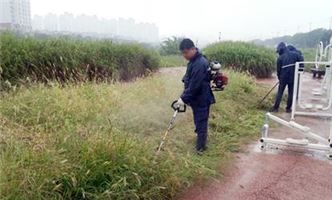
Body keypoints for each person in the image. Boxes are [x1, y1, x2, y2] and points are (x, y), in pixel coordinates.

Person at [174, 38, 215, 155]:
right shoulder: (193, 61)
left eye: (186, 52)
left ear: (193, 49)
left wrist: (183, 98)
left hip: (201, 97)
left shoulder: (200, 63)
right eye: (183, 53)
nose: (184, 55)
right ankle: (200, 142)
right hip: (197, 97)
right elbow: (188, 78)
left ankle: (200, 148)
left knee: (201, 121)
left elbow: (195, 85)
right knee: (198, 120)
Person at [271, 42, 303, 113]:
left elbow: (278, 71)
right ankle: (288, 109)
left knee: (280, 92)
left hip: (283, 78)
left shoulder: (280, 58)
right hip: (293, 77)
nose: (278, 52)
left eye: (278, 51)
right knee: (291, 93)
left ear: (281, 50)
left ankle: (275, 108)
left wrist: (280, 78)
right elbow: (301, 61)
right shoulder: (296, 55)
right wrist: (300, 70)